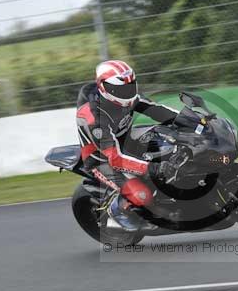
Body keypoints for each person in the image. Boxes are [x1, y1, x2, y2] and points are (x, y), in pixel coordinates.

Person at [75, 60, 183, 231]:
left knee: (171, 144)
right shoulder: (95, 118)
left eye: (130, 86)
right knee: (142, 196)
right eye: (121, 90)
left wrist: (189, 119)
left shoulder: (127, 97)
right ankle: (117, 212)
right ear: (105, 88)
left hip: (125, 141)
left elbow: (157, 110)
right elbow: (115, 159)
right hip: (101, 159)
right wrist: (152, 168)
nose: (127, 92)